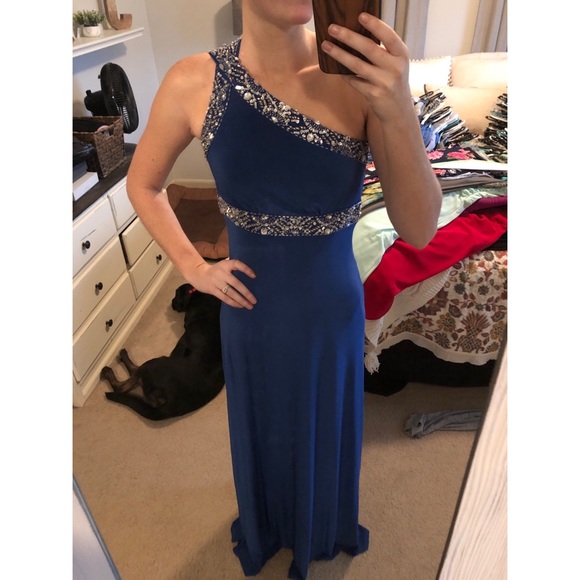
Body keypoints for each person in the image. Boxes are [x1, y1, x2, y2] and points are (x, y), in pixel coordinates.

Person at [127, 1, 442, 578]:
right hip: (250, 314)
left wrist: (398, 104)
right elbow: (143, 184)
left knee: (325, 429)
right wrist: (193, 267)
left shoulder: (359, 78)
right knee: (265, 429)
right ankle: (270, 525)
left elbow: (420, 229)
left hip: (330, 311)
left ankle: (320, 529)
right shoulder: (193, 81)